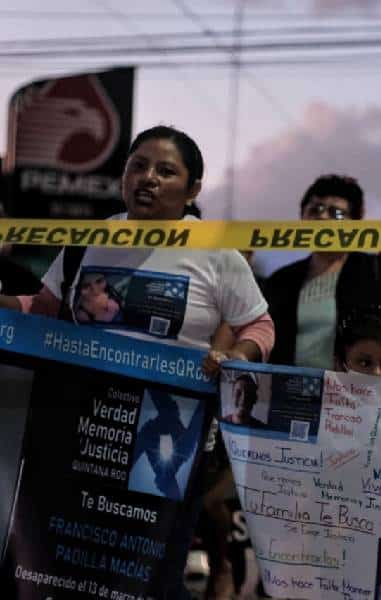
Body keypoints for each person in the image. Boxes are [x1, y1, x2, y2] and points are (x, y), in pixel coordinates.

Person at [0, 125, 274, 600]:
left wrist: (236, 355)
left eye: (166, 171)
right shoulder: (87, 240)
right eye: (138, 166)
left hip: (165, 436)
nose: (148, 178)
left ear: (192, 190)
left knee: (144, 568)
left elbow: (260, 326)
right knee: (64, 557)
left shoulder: (217, 252)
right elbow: (42, 310)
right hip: (78, 427)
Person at [261, 174, 381, 370]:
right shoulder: (282, 279)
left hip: (359, 394)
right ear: (302, 217)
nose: (322, 217)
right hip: (287, 393)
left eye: (336, 213)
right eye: (314, 209)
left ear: (354, 223)